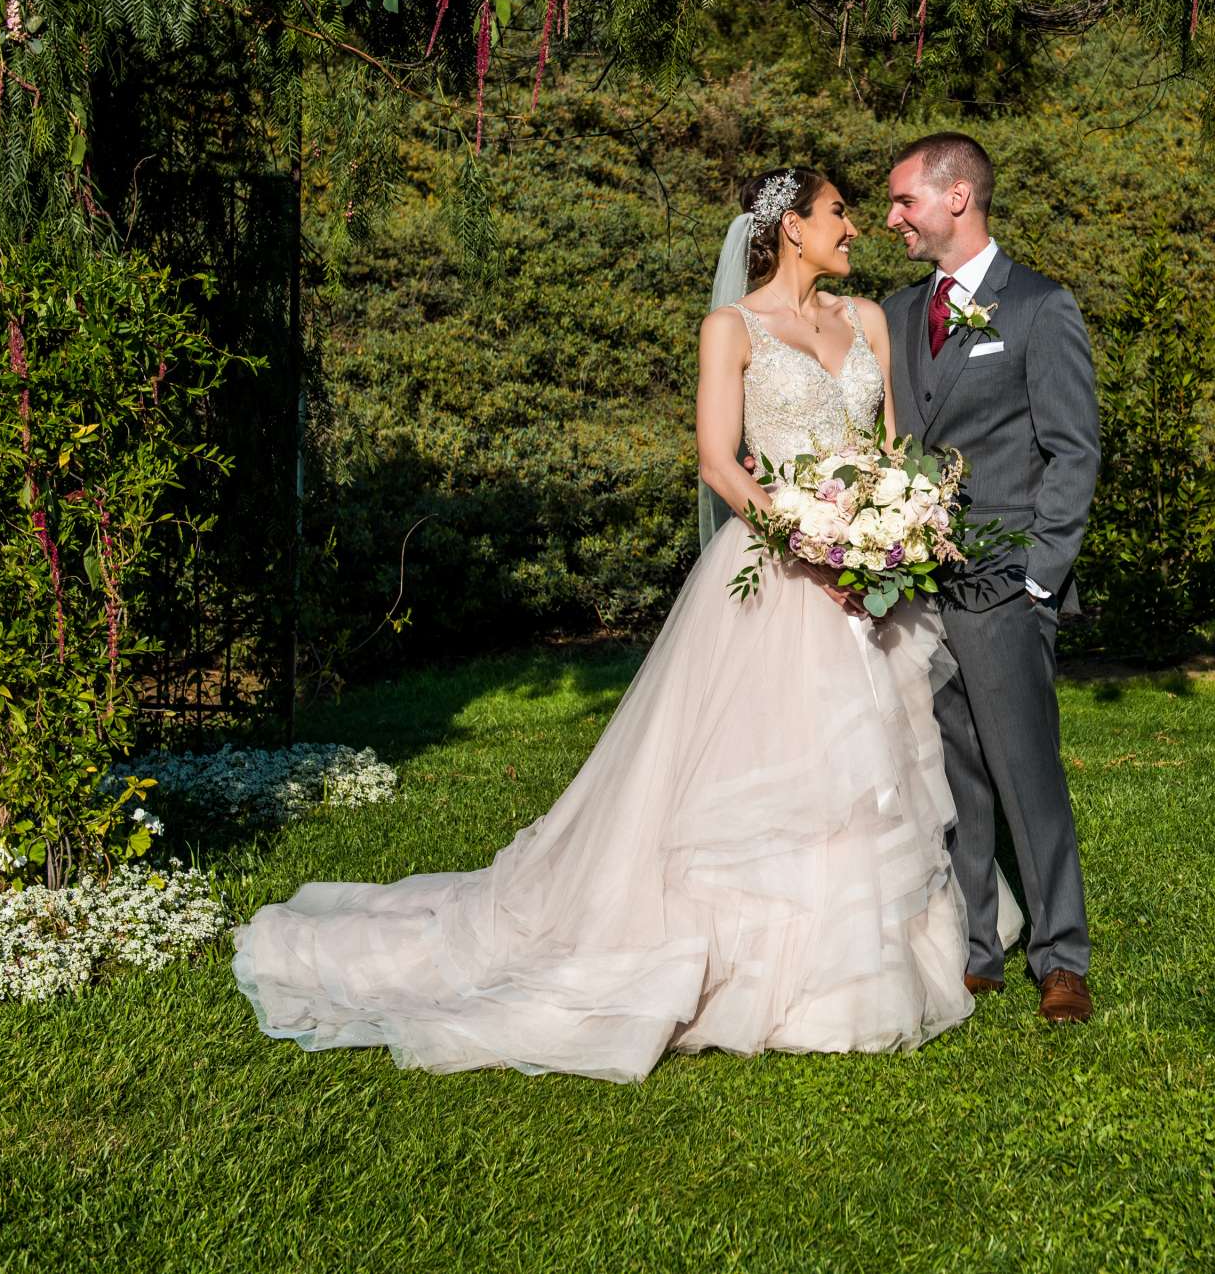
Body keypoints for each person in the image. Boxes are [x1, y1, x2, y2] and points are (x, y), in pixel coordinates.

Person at [230, 165, 1006, 1081]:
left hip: (872, 584)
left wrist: (887, 533)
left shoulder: (868, 320)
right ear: (792, 227)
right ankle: (765, 973)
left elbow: (886, 453)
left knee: (879, 775)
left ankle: (864, 973)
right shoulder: (733, 327)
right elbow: (720, 462)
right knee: (770, 781)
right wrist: (811, 546)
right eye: (839, 213)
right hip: (780, 574)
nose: (857, 228)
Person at [881, 132, 1102, 1024]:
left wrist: (1042, 578)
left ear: (958, 197)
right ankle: (979, 948)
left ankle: (1063, 958)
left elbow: (1073, 450)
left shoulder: (1041, 307)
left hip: (1008, 584)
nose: (892, 218)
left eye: (905, 202)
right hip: (917, 589)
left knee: (1024, 772)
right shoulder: (897, 313)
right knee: (953, 771)